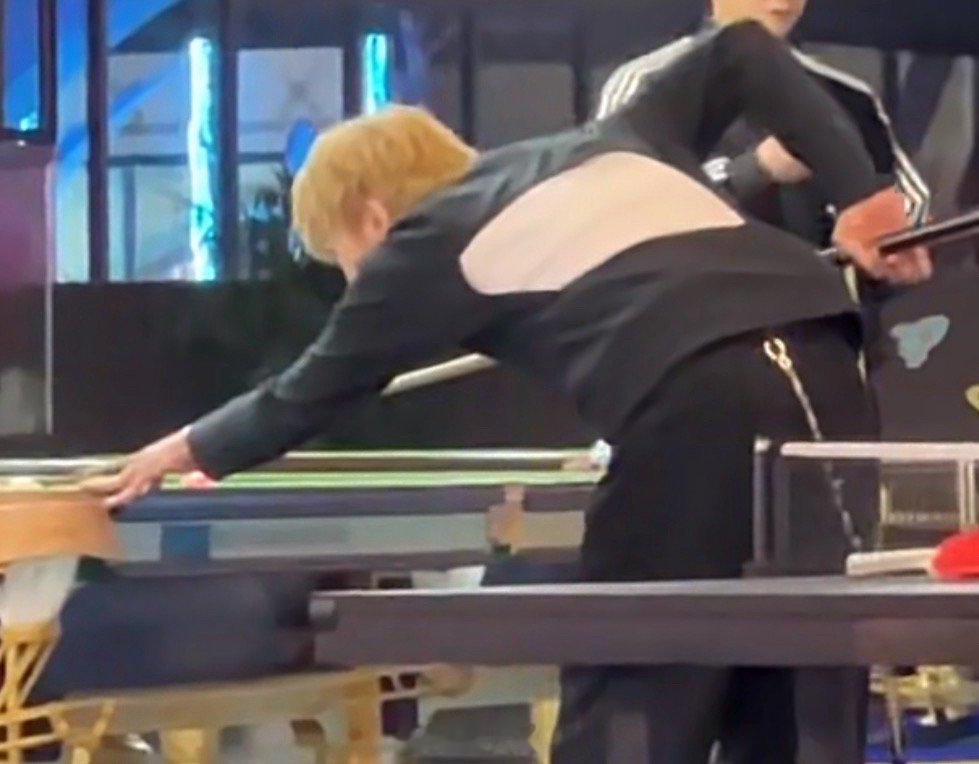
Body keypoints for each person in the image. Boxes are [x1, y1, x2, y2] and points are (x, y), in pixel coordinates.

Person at [93, 21, 930, 764]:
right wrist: (863, 194)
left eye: (343, 259)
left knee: (634, 680)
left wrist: (180, 450)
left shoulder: (421, 242)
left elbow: (305, 393)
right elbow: (743, 51)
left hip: (694, 398)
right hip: (829, 363)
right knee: (797, 678)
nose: (355, 282)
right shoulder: (614, 137)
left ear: (371, 217)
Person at [597, 0, 930, 244]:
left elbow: (915, 206)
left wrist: (853, 208)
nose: (782, 3)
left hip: (820, 305)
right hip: (699, 306)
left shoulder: (850, 94)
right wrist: (754, 170)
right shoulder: (645, 83)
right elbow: (615, 213)